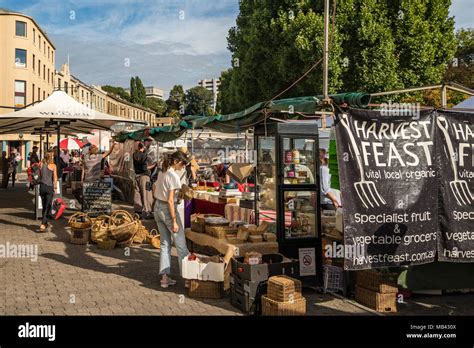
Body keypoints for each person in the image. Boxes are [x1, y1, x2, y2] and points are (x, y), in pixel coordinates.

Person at [152, 151, 190, 288]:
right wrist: (174, 220)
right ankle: (188, 279)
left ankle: (164, 278)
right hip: (167, 210)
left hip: (157, 207)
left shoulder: (162, 171)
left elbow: (154, 187)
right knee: (181, 246)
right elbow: (170, 201)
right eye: (182, 163)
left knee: (165, 244)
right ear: (176, 162)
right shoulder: (173, 176)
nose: (183, 166)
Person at [133, 142, 157, 219]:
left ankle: (138, 211)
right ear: (143, 147)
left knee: (137, 194)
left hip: (137, 176)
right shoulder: (144, 156)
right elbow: (145, 168)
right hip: (144, 177)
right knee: (146, 194)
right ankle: (148, 212)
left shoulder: (134, 154)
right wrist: (154, 165)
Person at [38, 152, 58, 232]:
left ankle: (45, 223)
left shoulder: (41, 164)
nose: (53, 157)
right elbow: (55, 178)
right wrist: (56, 187)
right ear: (50, 157)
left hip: (42, 187)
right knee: (48, 206)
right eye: (52, 156)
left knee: (44, 206)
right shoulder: (53, 166)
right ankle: (43, 224)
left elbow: (39, 174)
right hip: (49, 187)